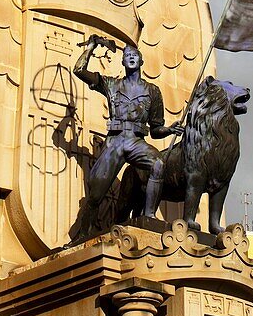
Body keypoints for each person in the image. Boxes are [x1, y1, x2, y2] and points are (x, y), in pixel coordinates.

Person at [70, 34, 182, 240]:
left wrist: (169, 130)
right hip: (115, 141)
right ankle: (81, 236)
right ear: (122, 61)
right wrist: (92, 47)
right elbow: (79, 71)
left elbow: (156, 129)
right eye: (127, 55)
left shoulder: (153, 91)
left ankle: (149, 216)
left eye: (134, 55)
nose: (131, 57)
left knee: (159, 164)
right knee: (95, 194)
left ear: (141, 61)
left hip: (136, 141)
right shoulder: (111, 84)